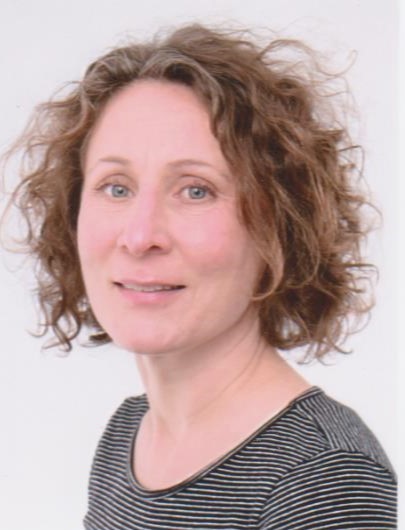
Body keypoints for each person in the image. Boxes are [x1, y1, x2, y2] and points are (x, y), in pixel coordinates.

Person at [4, 24, 396, 529]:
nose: (140, 236)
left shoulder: (322, 475)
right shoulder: (128, 435)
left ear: (279, 228)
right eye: (116, 187)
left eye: (196, 190)